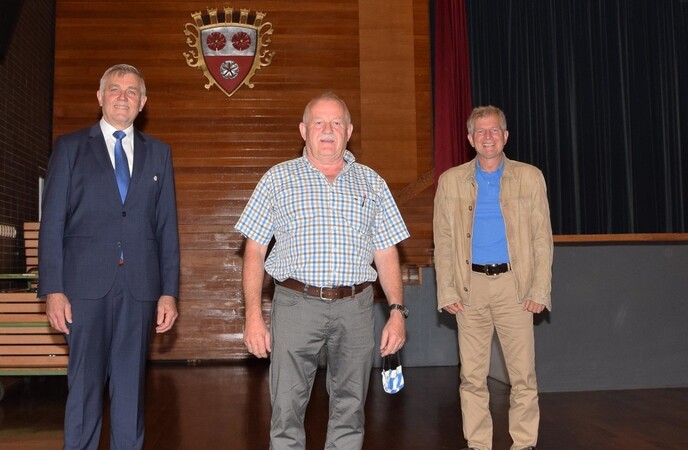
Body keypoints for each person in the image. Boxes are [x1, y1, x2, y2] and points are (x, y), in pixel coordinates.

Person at [236, 92, 410, 449]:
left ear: (348, 131)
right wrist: (253, 315)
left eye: (335, 123)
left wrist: (396, 311)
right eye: (319, 122)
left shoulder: (372, 183)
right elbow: (253, 250)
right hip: (295, 306)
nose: (327, 130)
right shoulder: (276, 179)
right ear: (303, 130)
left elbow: (387, 250)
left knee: (351, 411)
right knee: (286, 410)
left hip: (356, 308)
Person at [38, 64, 180, 450]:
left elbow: (166, 226)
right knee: (83, 389)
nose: (122, 96)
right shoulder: (70, 148)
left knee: (130, 390)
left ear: (143, 102)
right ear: (99, 97)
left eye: (131, 91)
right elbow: (50, 222)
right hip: (82, 290)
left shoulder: (159, 155)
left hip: (139, 290)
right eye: (114, 89)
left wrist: (169, 292)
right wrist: (53, 289)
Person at [433, 105, 552, 450]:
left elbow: (542, 238)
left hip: (516, 289)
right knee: (471, 377)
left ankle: (525, 443)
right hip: (470, 290)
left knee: (523, 377)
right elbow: (442, 241)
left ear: (506, 136)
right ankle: (478, 444)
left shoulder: (530, 177)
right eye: (480, 132)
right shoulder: (451, 180)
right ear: (470, 138)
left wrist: (539, 289)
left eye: (494, 130)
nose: (488, 137)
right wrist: (447, 289)